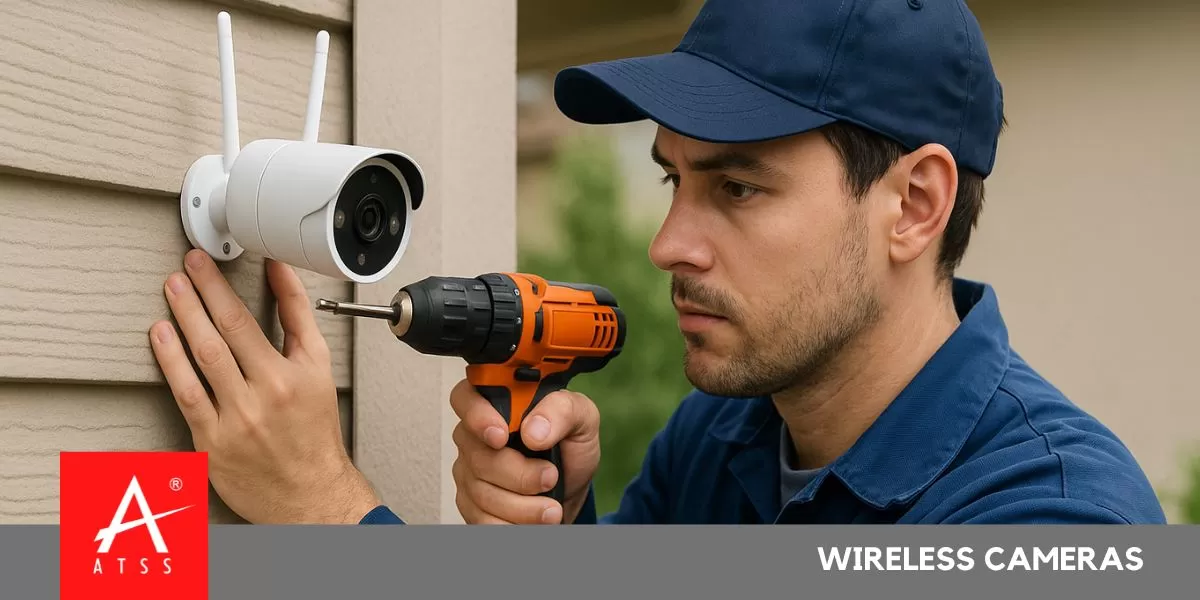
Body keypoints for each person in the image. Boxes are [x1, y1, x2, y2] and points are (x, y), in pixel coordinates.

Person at [149, 0, 1166, 525]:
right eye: (673, 178)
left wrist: (326, 511)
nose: (667, 243)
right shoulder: (722, 441)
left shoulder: (1052, 517)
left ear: (915, 204)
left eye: (739, 187)